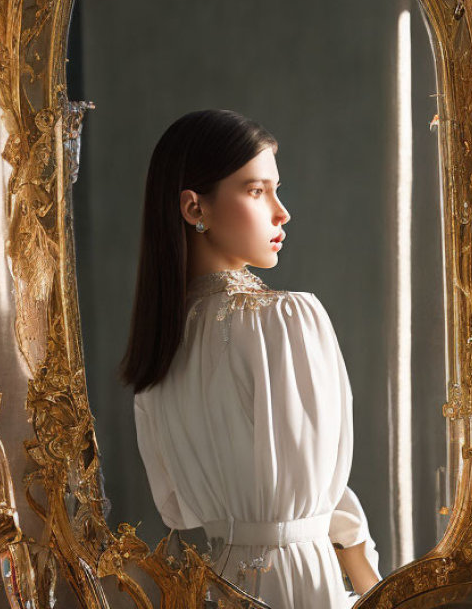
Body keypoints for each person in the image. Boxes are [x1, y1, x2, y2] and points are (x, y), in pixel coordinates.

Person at [121, 109, 381, 609]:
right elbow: (320, 491)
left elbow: (177, 509)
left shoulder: (159, 346)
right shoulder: (285, 320)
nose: (282, 212)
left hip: (214, 586)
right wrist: (372, 585)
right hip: (297, 580)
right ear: (194, 207)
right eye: (257, 191)